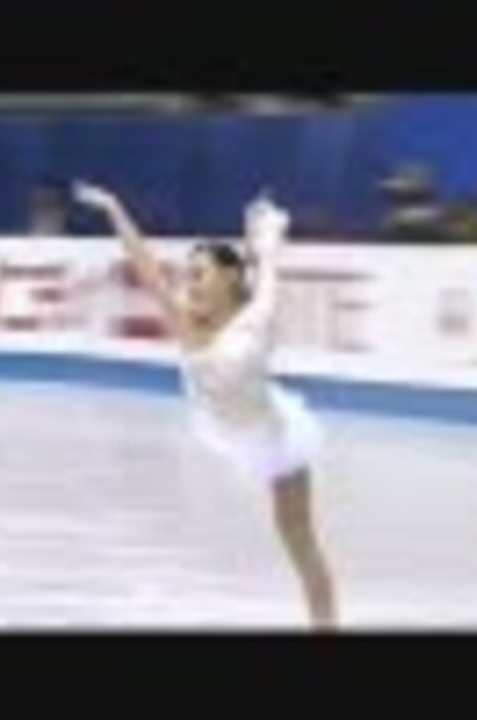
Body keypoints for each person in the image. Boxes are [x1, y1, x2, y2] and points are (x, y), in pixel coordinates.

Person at [74, 181, 337, 630]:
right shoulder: (184, 320)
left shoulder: (256, 317)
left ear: (229, 278)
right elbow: (146, 267)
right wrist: (115, 208)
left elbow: (267, 271)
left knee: (300, 542)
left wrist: (266, 238)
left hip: (276, 436)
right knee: (295, 537)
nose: (188, 283)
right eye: (187, 274)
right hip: (231, 425)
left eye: (199, 274)